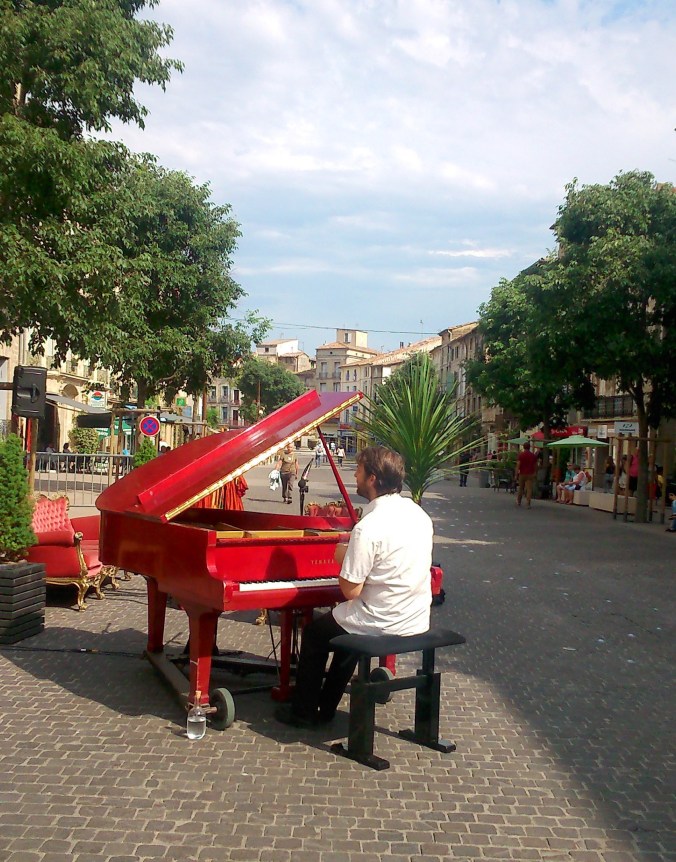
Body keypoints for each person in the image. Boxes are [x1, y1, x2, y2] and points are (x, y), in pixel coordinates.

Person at [274, 445, 433, 728]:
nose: (355, 477)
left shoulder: (368, 527)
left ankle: (304, 713)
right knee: (345, 631)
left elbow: (351, 591)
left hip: (381, 621)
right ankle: (326, 707)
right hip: (415, 618)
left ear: (372, 478)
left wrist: (341, 558)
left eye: (359, 471)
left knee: (314, 634)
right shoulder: (418, 515)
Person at [515, 442, 538, 508]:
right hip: (530, 473)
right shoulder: (533, 456)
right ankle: (528, 503)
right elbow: (535, 465)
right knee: (529, 489)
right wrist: (535, 472)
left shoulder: (521, 455)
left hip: (522, 473)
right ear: (529, 447)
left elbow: (518, 465)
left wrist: (516, 474)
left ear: (523, 447)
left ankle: (519, 501)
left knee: (521, 488)